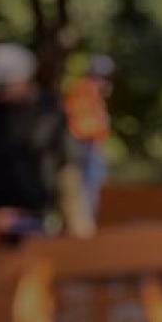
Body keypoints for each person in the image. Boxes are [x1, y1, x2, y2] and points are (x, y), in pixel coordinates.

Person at [0, 43, 72, 239]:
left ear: (24, 79)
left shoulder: (48, 110)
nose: (1, 93)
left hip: (35, 211)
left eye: (5, 86)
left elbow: (65, 162)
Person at [64, 54, 113, 217]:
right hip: (85, 147)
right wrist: (99, 127)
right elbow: (80, 125)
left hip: (89, 146)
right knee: (89, 191)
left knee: (92, 189)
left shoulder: (91, 92)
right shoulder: (84, 90)